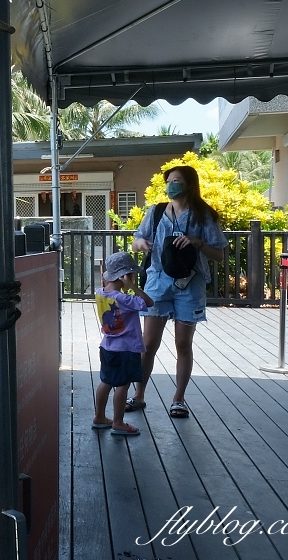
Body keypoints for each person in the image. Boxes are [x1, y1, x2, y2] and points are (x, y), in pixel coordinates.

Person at [129, 165, 227, 418]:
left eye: (177, 180)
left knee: (183, 344)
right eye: (169, 180)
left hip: (189, 284)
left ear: (189, 185)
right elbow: (137, 240)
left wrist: (198, 243)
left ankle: (178, 399)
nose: (171, 184)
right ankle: (138, 395)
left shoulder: (203, 216)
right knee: (148, 343)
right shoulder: (157, 211)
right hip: (158, 282)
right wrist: (141, 243)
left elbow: (219, 254)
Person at [94, 252, 154, 436]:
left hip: (107, 347)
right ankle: (118, 422)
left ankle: (100, 417)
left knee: (105, 381)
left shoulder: (100, 293)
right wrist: (132, 286)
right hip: (126, 349)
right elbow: (148, 302)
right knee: (123, 385)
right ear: (125, 276)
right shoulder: (125, 299)